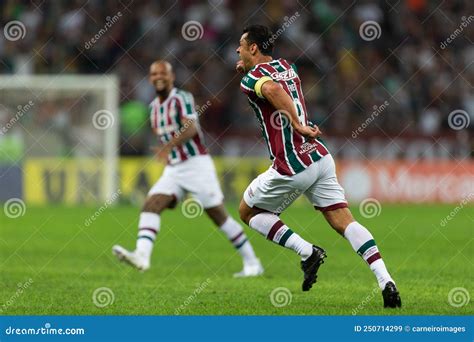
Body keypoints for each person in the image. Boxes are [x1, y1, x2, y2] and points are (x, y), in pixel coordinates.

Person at [235, 25, 401, 307]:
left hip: (292, 163)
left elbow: (272, 88)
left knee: (247, 211)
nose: (237, 50)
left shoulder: (252, 80)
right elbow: (274, 81)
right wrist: (249, 72)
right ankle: (386, 280)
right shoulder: (288, 66)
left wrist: (297, 125)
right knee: (344, 221)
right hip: (320, 157)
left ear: (253, 48)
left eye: (241, 45)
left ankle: (307, 252)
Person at [113, 60, 263, 277]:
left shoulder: (181, 98)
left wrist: (168, 146)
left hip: (196, 165)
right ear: (150, 78)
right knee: (151, 204)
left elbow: (190, 128)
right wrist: (166, 152)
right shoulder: (153, 108)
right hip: (174, 169)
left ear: (172, 77)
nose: (159, 77)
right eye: (154, 74)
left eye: (163, 73)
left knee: (218, 215)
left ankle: (253, 263)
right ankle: (142, 256)